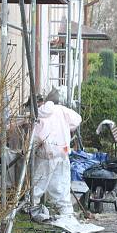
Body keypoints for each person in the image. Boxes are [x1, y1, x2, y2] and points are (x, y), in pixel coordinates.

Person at [30, 90, 82, 222]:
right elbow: (77, 120)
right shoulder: (62, 110)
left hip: (46, 152)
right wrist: (67, 128)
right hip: (62, 150)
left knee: (39, 181)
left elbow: (35, 135)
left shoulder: (39, 113)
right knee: (62, 182)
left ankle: (33, 206)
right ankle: (66, 210)